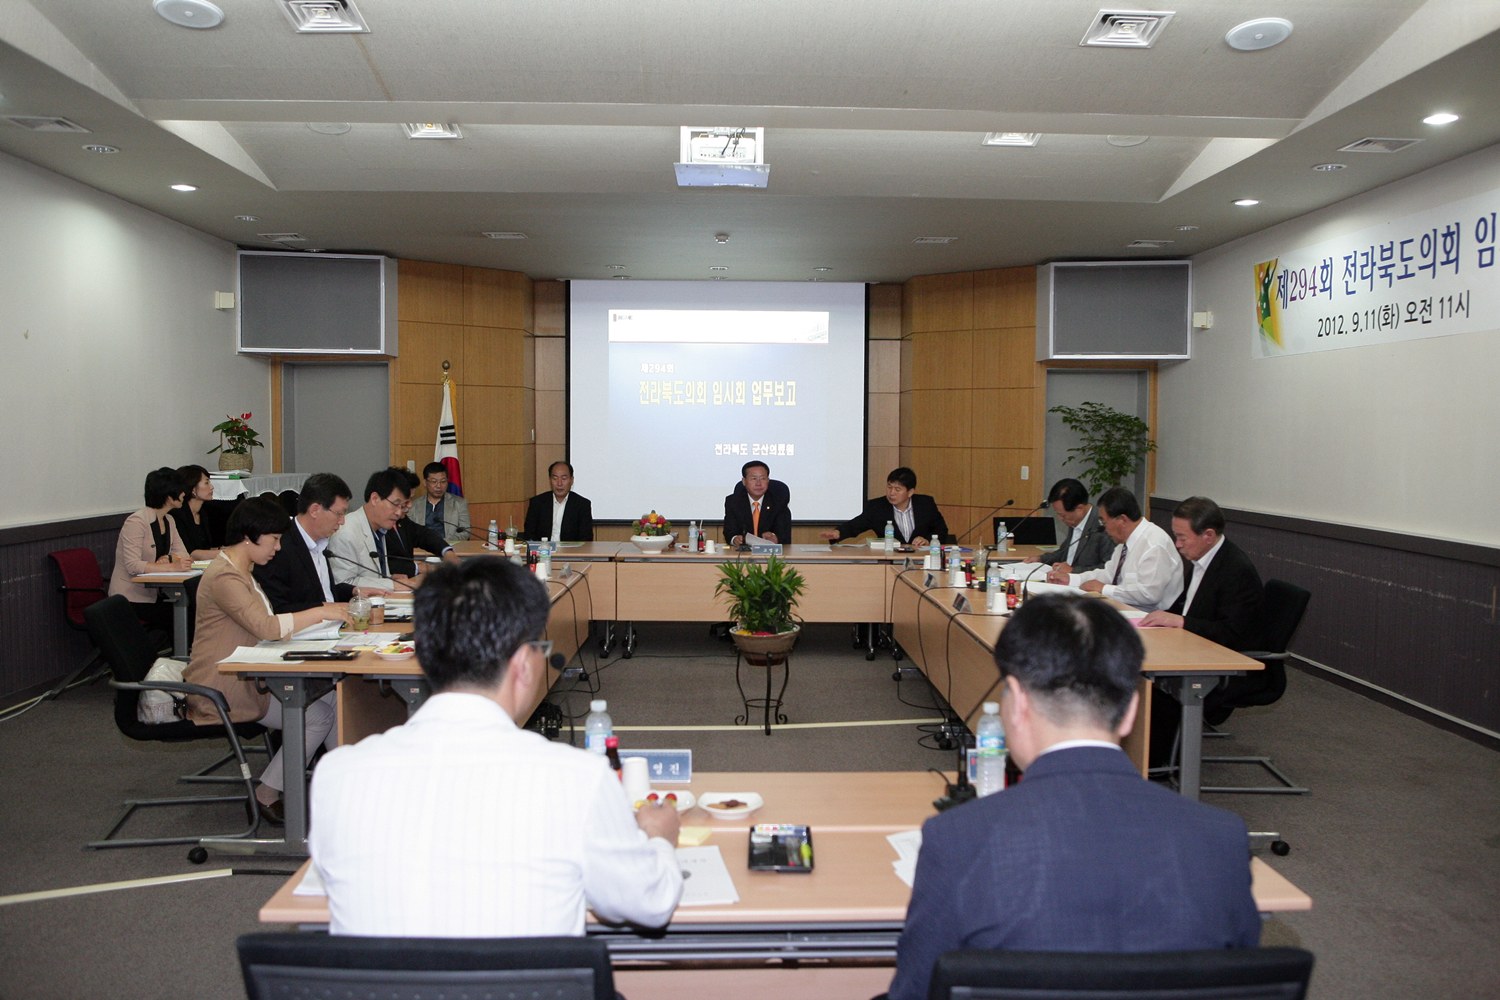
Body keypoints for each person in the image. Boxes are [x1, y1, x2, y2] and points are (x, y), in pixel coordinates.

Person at [886, 595, 1260, 1000]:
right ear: (1131, 710)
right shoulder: (1222, 837)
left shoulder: (957, 838)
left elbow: (916, 990)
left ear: (1018, 703)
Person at [310, 557, 683, 936]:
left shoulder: (337, 775)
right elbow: (648, 903)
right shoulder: (578, 778)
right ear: (523, 664)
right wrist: (659, 839)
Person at [182, 497, 350, 822]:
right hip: (223, 686)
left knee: (334, 697)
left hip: (248, 673)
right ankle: (266, 793)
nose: (278, 547)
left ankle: (343, 784)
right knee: (317, 717)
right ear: (250, 536)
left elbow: (266, 628)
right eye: (274, 539)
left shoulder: (241, 570)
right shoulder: (225, 577)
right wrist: (321, 612)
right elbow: (267, 627)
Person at [1141, 496, 1265, 762]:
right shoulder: (1203, 560)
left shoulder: (1235, 571)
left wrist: (1181, 622)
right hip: (1193, 647)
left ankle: (1159, 763)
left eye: (1182, 537)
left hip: (1224, 662)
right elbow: (1185, 607)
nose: (1177, 544)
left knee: (1151, 686)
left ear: (1208, 535)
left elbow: (1232, 633)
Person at [1046, 486, 1182, 611]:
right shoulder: (1125, 542)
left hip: (1153, 617)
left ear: (1122, 520)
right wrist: (1071, 579)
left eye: (1104, 522)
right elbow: (1108, 574)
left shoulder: (1154, 544)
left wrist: (1104, 589)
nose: (1103, 528)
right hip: (1127, 608)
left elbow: (1149, 595)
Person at [254, 473, 372, 613]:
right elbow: (278, 609)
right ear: (315, 510)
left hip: (333, 623)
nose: (342, 521)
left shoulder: (321, 542)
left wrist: (353, 591)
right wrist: (327, 609)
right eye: (339, 514)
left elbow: (322, 592)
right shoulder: (279, 547)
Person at [108, 467, 192, 634]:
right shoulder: (136, 522)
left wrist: (168, 558)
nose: (184, 494)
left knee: (191, 611)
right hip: (130, 597)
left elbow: (184, 554)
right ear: (168, 496)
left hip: (155, 594)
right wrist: (171, 566)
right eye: (181, 490)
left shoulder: (169, 520)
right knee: (181, 616)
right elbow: (133, 565)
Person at [327, 468, 420, 592]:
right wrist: (392, 585)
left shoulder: (379, 529)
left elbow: (369, 575)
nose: (399, 513)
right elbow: (344, 584)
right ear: (375, 498)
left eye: (402, 506)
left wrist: (389, 578)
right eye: (395, 504)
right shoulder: (346, 533)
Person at [820, 467, 948, 547]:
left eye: (897, 489)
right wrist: (838, 533)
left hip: (922, 560)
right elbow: (857, 524)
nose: (891, 493)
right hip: (889, 560)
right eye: (889, 487)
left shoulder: (925, 504)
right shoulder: (877, 507)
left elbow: (941, 530)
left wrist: (927, 540)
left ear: (910, 492)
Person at [1024, 477, 1114, 572]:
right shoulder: (1075, 521)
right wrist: (1041, 559)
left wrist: (1073, 570)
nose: (1060, 519)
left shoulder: (1103, 526)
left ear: (1079, 509)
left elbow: (1108, 569)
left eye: (1062, 515)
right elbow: (1064, 552)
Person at [723, 460, 790, 546]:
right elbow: (729, 531)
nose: (758, 483)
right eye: (754, 479)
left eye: (763, 478)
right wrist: (735, 539)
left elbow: (784, 534)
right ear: (744, 481)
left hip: (770, 552)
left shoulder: (779, 501)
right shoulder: (733, 502)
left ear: (768, 480)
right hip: (743, 552)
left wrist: (775, 537)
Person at [523, 460, 595, 541]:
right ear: (550, 480)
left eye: (564, 478)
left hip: (571, 549)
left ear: (571, 480)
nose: (559, 483)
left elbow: (586, 538)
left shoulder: (582, 505)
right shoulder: (537, 503)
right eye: (555, 478)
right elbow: (529, 534)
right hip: (543, 548)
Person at [170, 464, 221, 561]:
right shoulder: (177, 515)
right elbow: (190, 553)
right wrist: (228, 553)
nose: (212, 487)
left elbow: (206, 548)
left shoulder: (203, 513)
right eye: (206, 483)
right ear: (193, 488)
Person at [418, 461, 471, 543]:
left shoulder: (459, 503)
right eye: (434, 482)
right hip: (422, 548)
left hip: (449, 547)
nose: (439, 486)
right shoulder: (414, 506)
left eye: (443, 481)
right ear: (425, 483)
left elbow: (466, 531)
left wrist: (445, 542)